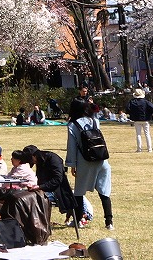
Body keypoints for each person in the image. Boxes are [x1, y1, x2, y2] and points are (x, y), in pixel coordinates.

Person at [65, 97, 114, 231]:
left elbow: (71, 147)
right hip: (101, 159)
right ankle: (109, 222)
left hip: (85, 160)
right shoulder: (95, 121)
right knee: (104, 191)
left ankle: (78, 220)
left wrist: (72, 165)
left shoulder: (73, 125)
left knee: (79, 192)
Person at [21, 144, 72, 218]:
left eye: (30, 160)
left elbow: (58, 179)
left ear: (34, 156)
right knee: (23, 197)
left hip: (58, 192)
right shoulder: (39, 161)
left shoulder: (53, 159)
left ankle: (38, 221)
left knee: (30, 199)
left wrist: (39, 187)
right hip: (44, 190)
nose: (32, 163)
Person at [127, 88, 153, 153]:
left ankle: (139, 149)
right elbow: (152, 107)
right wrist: (149, 113)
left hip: (136, 119)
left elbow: (127, 108)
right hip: (145, 119)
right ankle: (149, 149)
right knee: (147, 134)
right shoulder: (145, 101)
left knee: (138, 134)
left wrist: (132, 114)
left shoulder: (132, 102)